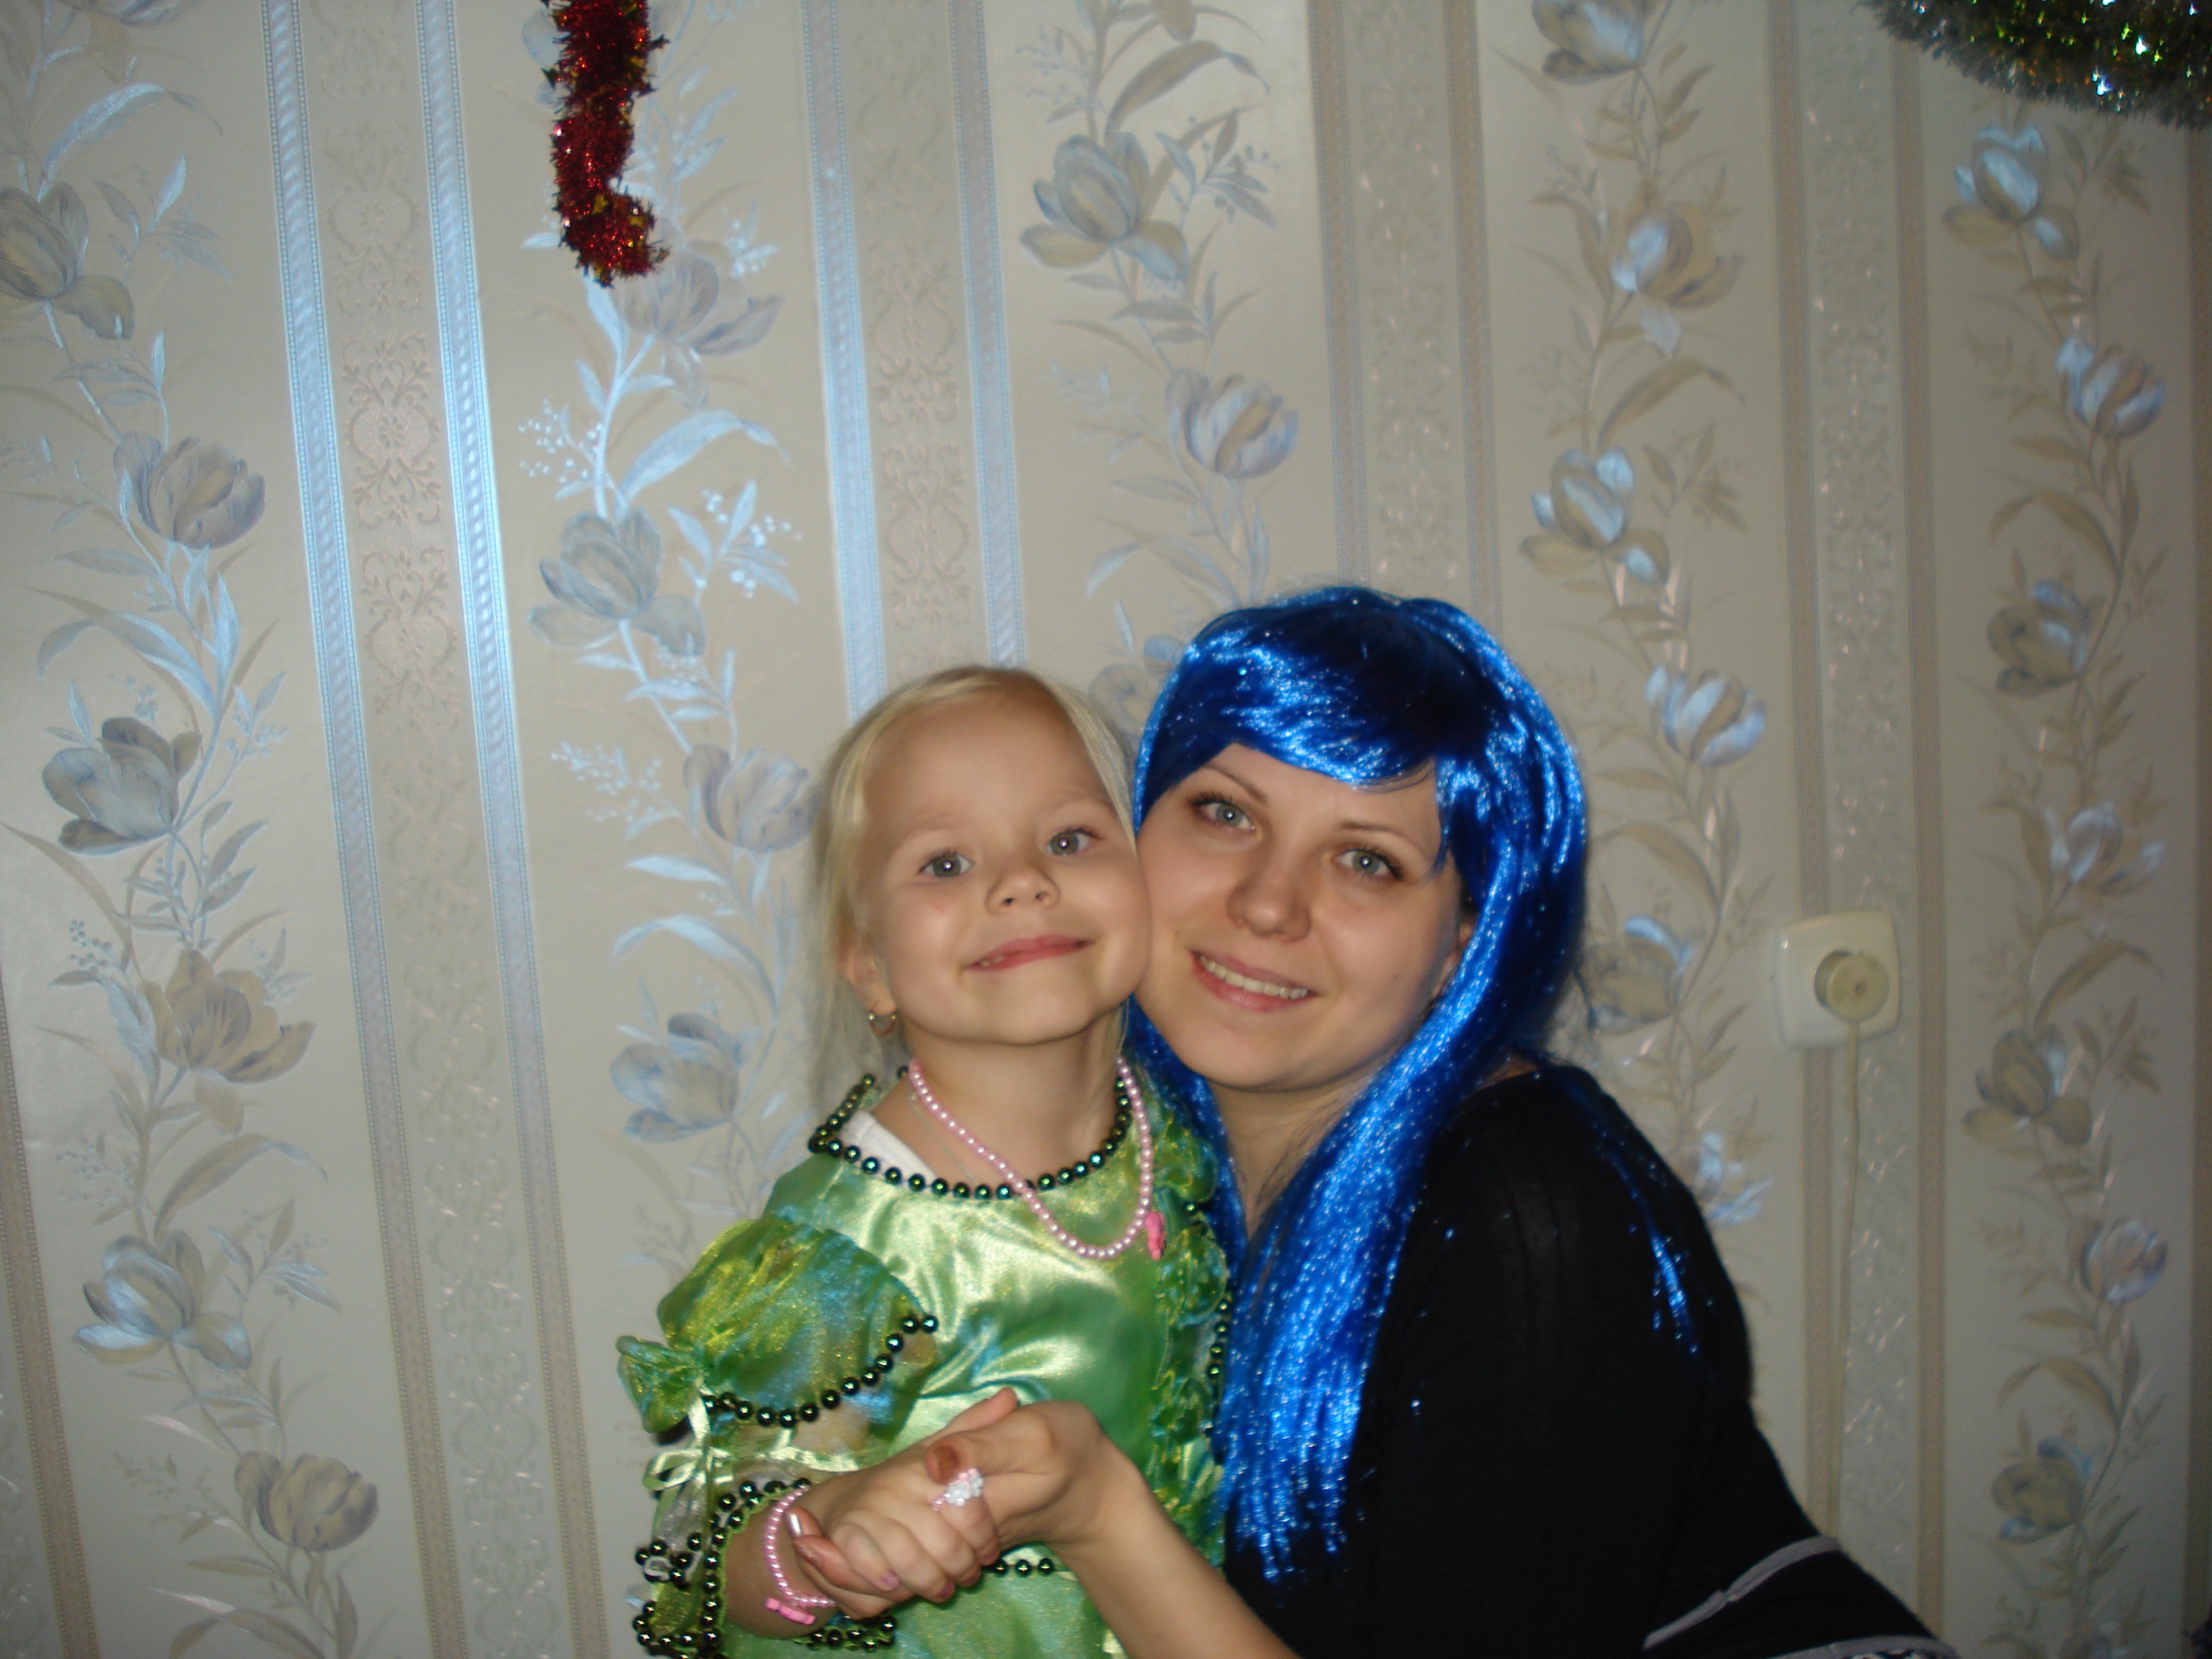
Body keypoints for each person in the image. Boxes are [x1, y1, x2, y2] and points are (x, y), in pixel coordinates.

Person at [804, 588, 1955, 1658]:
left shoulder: (1529, 1222)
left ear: (1463, 941)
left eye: (1367, 861)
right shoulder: (1127, 1161)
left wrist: (1098, 1514)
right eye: (1223, 812)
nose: (1267, 903)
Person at [615, 667, 1227, 1655]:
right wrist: (823, 1533)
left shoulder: (1185, 1129)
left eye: (1069, 839)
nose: (1021, 881)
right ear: (869, 965)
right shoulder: (851, 1251)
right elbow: (706, 1537)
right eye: (945, 863)